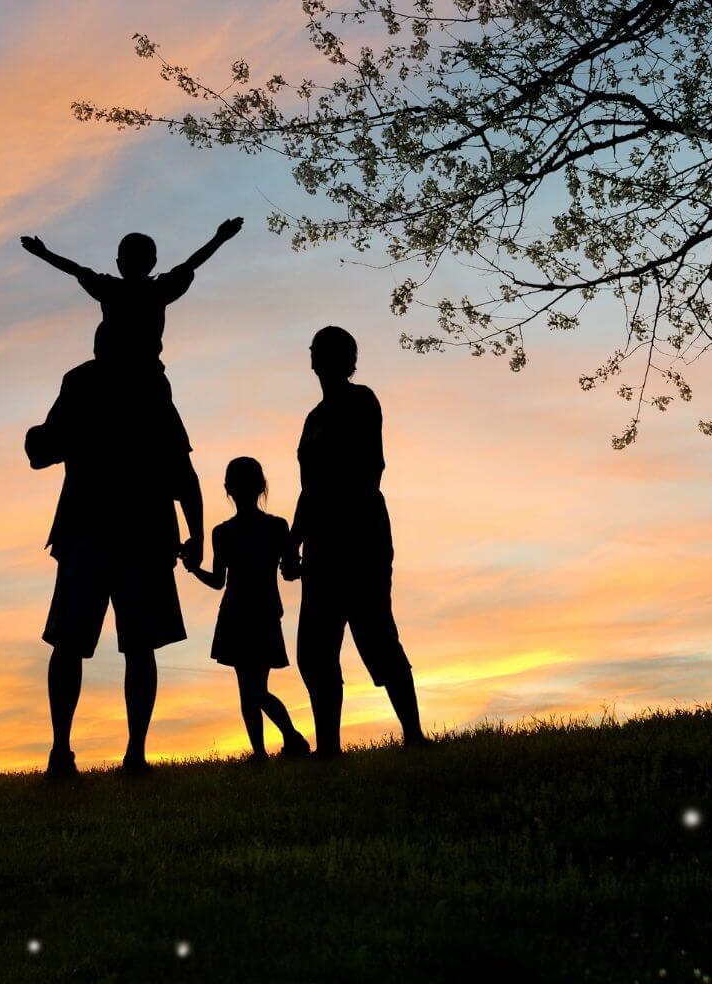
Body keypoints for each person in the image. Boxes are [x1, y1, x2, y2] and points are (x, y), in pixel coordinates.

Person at [25, 349, 205, 780]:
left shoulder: (86, 381)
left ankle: (65, 751)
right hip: (138, 532)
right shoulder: (149, 383)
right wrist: (196, 532)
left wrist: (36, 437)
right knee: (133, 646)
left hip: (93, 530)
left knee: (74, 643)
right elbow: (182, 469)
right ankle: (130, 754)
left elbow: (42, 451)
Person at [284, 326, 430, 757]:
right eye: (316, 351)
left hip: (360, 534)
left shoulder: (362, 401)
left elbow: (370, 468)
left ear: (346, 360)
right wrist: (294, 543)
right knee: (315, 650)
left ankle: (414, 734)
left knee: (376, 635)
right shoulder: (313, 419)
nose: (318, 359)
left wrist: (333, 521)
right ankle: (329, 746)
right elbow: (308, 489)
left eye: (325, 352)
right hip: (322, 542)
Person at [20, 218, 243, 450]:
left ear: (120, 263)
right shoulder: (152, 289)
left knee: (74, 380)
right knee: (76, 381)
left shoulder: (116, 288)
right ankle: (51, 443)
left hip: (124, 371)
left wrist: (43, 253)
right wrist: (219, 239)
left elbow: (75, 269)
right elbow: (190, 265)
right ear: (151, 262)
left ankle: (49, 443)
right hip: (136, 372)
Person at [185, 457, 311, 762]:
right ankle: (272, 747)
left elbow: (218, 581)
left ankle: (283, 742)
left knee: (250, 689)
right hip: (262, 612)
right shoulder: (276, 527)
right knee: (255, 688)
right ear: (261, 486)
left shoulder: (223, 532)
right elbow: (290, 570)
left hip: (238, 615)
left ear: (228, 489)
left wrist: (193, 569)